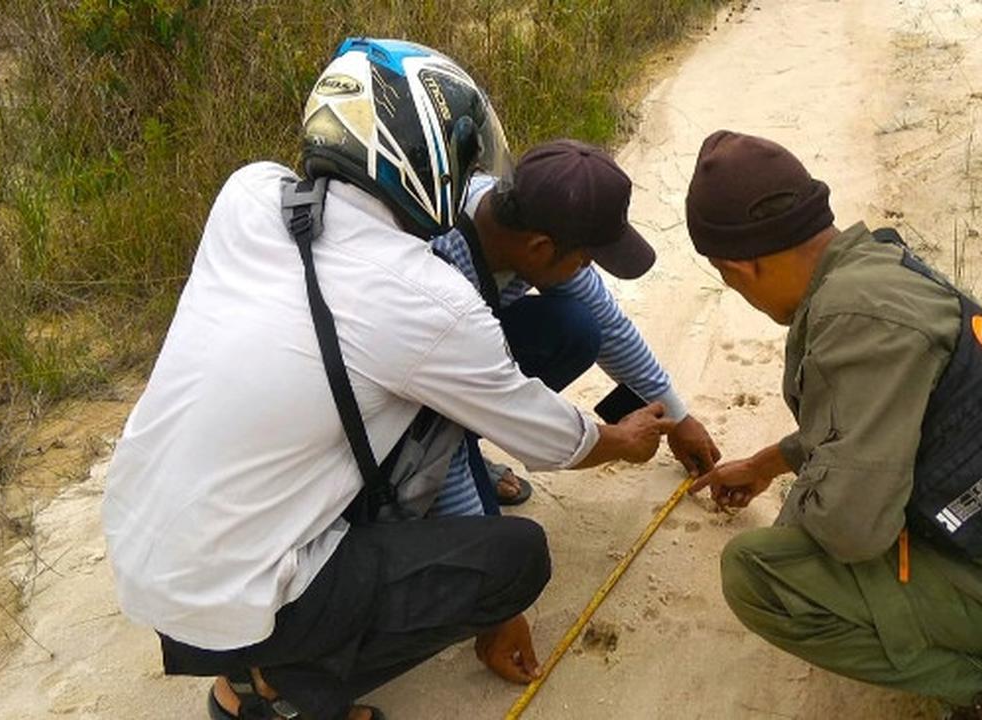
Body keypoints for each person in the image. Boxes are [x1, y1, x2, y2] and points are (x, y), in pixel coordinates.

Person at [102, 38, 674, 720]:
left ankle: (271, 651)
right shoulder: (425, 296)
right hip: (227, 593)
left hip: (142, 541)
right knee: (514, 561)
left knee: (422, 419)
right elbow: (555, 441)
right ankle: (267, 693)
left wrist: (674, 407)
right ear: (421, 160)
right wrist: (621, 438)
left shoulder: (250, 193)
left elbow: (582, 319)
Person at [684, 130, 982, 720]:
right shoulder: (875, 269)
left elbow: (853, 533)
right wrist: (767, 464)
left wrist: (807, 499)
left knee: (761, 573)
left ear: (740, 267)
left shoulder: (851, 317)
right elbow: (888, 415)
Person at [425, 139, 721, 517]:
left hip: (456, 370)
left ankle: (462, 444)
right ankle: (440, 460)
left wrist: (677, 418)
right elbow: (452, 403)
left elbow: (607, 323)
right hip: (405, 401)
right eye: (586, 258)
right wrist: (618, 441)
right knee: (496, 552)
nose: (586, 268)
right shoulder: (437, 279)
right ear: (540, 247)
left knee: (576, 327)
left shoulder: (516, 219)